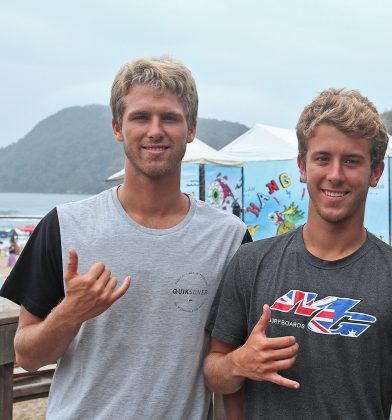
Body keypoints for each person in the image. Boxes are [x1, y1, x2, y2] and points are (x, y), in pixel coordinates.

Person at [0, 57, 249, 419]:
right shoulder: (64, 225)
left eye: (170, 117)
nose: (155, 130)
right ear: (118, 127)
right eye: (140, 117)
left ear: (191, 129)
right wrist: (70, 313)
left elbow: (228, 361)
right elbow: (27, 356)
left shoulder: (228, 238)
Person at [204, 88, 392, 419]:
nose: (335, 174)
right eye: (322, 158)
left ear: (375, 173)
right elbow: (214, 373)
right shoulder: (251, 263)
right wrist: (238, 364)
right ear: (302, 166)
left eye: (351, 161)